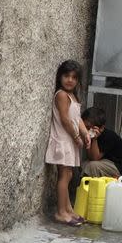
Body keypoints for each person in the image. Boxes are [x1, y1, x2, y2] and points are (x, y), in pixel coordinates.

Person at [45, 60, 91, 226]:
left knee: (69, 175)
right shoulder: (62, 95)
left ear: (78, 80)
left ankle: (68, 210)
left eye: (74, 77)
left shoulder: (72, 96)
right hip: (63, 140)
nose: (70, 80)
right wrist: (76, 137)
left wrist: (85, 133)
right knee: (64, 176)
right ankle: (60, 212)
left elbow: (76, 118)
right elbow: (65, 120)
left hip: (69, 141)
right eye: (66, 76)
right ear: (60, 77)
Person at [81, 107, 122, 177]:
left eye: (88, 128)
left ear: (101, 128)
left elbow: (94, 158)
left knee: (92, 166)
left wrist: (94, 139)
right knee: (84, 165)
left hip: (118, 166)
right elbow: (90, 157)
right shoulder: (88, 134)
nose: (85, 130)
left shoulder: (108, 136)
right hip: (105, 161)